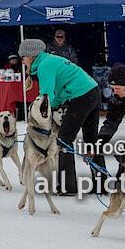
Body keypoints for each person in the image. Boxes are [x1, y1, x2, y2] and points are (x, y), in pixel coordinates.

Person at [19, 38, 105, 195]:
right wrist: (54, 106)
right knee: (91, 140)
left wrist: (39, 116)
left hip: (82, 96)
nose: (22, 61)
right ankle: (102, 184)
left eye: (23, 57)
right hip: (93, 92)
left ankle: (68, 187)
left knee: (65, 139)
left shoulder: (45, 65)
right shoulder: (49, 60)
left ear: (31, 56)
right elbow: (57, 94)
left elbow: (45, 97)